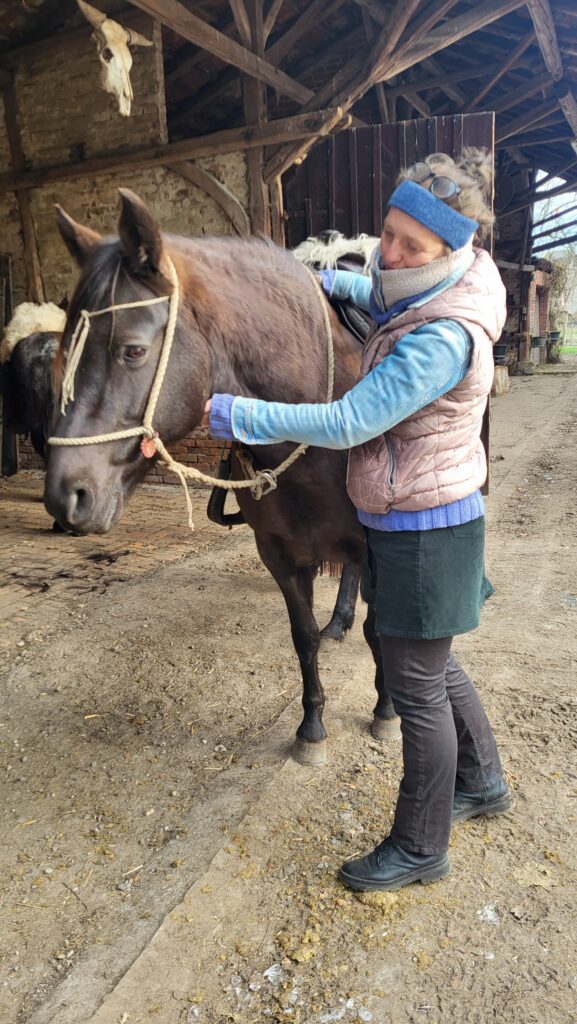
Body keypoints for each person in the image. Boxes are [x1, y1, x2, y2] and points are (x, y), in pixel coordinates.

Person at [203, 149, 513, 893]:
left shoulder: (442, 337)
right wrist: (304, 281)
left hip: (421, 523)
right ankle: (484, 782)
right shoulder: (442, 281)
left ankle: (419, 845)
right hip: (429, 510)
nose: (391, 253)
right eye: (388, 232)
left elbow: (348, 420)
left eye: (411, 244)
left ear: (451, 246)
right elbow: (376, 288)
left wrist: (234, 411)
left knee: (413, 687)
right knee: (436, 665)